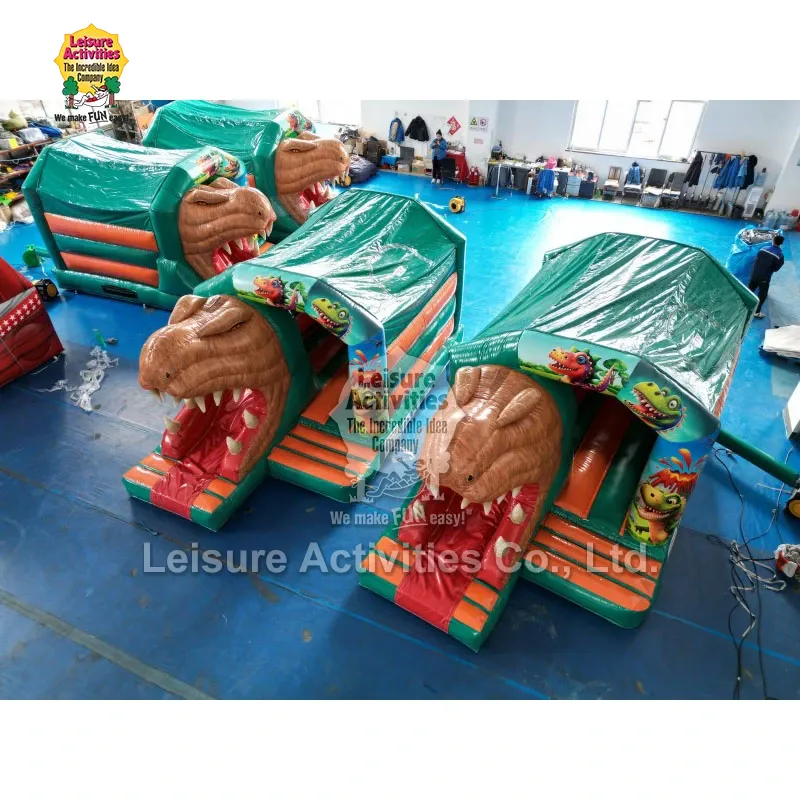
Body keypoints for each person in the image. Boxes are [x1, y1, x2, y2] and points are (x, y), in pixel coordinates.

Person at [748, 233, 785, 319]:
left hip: (754, 274)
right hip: (764, 278)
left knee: (749, 290)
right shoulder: (780, 256)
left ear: (773, 241)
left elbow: (756, 260)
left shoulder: (763, 249)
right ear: (781, 244)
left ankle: (743, 305)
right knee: (762, 295)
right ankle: (756, 312)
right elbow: (775, 269)